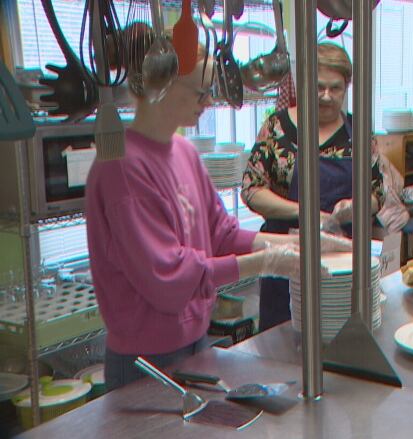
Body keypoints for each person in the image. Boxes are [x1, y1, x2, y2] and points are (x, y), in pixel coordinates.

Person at [85, 38, 350, 391]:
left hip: (194, 340)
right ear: (161, 88)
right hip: (146, 358)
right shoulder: (120, 166)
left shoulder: (183, 151)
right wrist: (267, 263)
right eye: (200, 92)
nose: (209, 102)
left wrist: (297, 241)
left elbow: (221, 233)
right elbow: (169, 279)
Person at [241, 43, 390, 332]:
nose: (327, 96)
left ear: (347, 86)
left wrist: (354, 208)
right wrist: (305, 212)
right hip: (284, 257)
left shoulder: (358, 132)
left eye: (336, 88)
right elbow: (252, 189)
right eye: (319, 87)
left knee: (342, 336)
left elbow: (377, 194)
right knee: (283, 342)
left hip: (344, 263)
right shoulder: (277, 127)